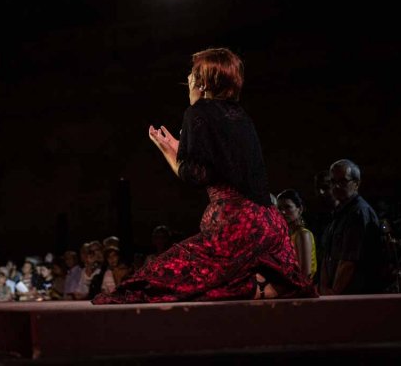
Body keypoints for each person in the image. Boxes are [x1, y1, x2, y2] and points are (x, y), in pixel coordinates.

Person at [93, 48, 315, 304]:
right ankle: (263, 285)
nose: (188, 77)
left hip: (237, 225)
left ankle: (255, 287)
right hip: (269, 223)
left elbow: (195, 176)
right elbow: (220, 165)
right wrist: (182, 148)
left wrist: (169, 152)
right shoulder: (241, 116)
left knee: (150, 283)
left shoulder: (198, 112)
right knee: (213, 279)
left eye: (193, 72)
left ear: (203, 81)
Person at [320, 159, 383, 295]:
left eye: (343, 181)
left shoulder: (358, 213)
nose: (336, 186)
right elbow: (328, 256)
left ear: (356, 183)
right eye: (333, 181)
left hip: (354, 296)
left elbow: (349, 261)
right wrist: (324, 288)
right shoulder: (339, 213)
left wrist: (333, 293)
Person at [277, 190, 317, 280]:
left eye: (287, 207)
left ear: (300, 209)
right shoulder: (286, 235)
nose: (282, 212)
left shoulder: (303, 234)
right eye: (279, 208)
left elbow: (305, 274)